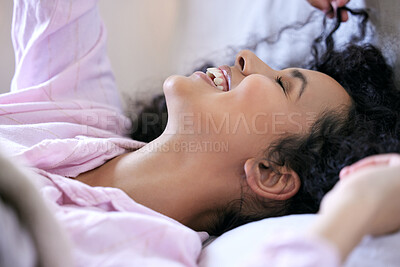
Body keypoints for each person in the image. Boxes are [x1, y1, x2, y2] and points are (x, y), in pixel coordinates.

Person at [0, 0, 399, 266]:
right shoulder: (78, 112)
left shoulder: (149, 249)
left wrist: (360, 204)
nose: (247, 57)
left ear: (271, 173)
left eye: (281, 84)